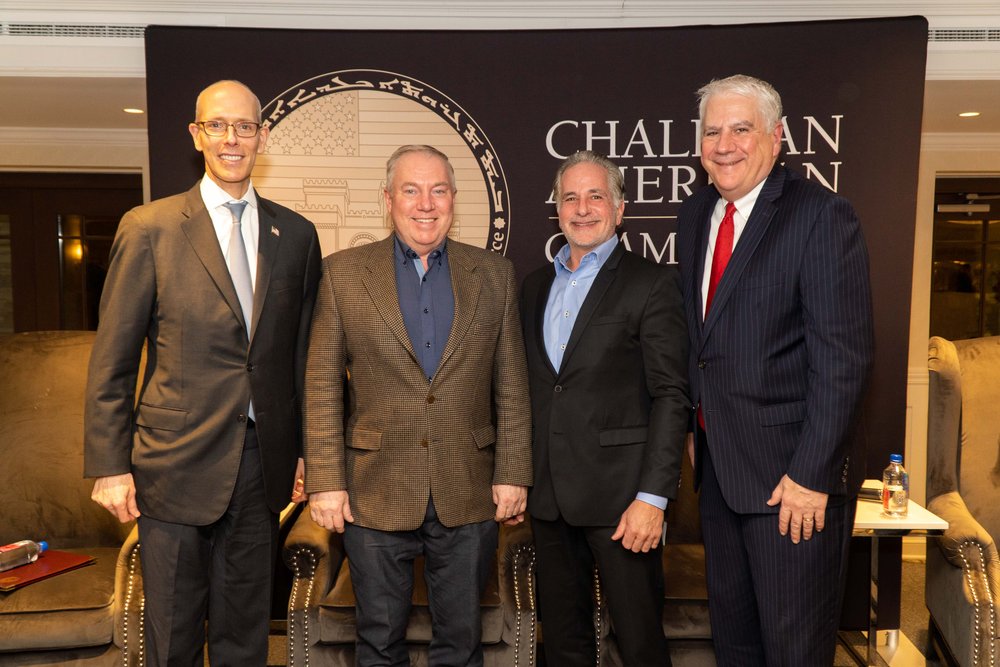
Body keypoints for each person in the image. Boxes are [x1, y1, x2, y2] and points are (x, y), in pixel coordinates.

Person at [84, 79, 322, 666]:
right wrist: (110, 466)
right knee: (174, 638)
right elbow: (113, 359)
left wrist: (306, 455)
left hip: (261, 467)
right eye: (218, 125)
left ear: (262, 136)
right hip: (172, 465)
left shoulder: (295, 235)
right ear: (197, 135)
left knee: (246, 638)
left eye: (244, 126)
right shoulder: (149, 228)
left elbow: (302, 362)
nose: (232, 138)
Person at [304, 144, 533, 666]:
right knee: (379, 641)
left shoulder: (493, 274)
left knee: (461, 642)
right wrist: (326, 481)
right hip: (373, 490)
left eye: (438, 190)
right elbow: (320, 385)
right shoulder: (343, 274)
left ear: (454, 198)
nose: (425, 203)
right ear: (389, 199)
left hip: (468, 487)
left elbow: (511, 383)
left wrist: (513, 472)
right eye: (411, 190)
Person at [676, 74, 874, 665]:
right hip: (720, 475)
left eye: (742, 129)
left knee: (794, 651)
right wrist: (695, 424)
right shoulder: (697, 214)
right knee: (736, 646)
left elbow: (844, 358)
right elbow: (700, 336)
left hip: (793, 486)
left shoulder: (821, 216)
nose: (725, 143)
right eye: (713, 131)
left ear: (777, 137)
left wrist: (812, 475)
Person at [520, 150, 690, 666]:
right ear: (557, 210)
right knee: (566, 645)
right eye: (570, 197)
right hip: (549, 501)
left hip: (625, 503)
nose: (583, 207)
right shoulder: (532, 287)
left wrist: (653, 499)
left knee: (639, 644)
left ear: (620, 209)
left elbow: (671, 396)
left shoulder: (651, 283)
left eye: (597, 196)